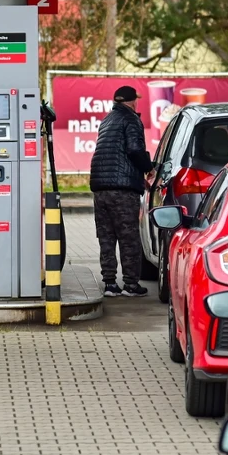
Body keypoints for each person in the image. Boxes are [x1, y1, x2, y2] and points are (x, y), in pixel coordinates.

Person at [89, 85, 156, 297]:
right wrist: (149, 168)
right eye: (136, 99)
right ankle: (131, 284)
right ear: (132, 101)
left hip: (101, 188)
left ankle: (110, 283)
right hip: (123, 189)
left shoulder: (107, 120)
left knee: (106, 238)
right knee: (129, 238)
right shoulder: (131, 119)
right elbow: (134, 149)